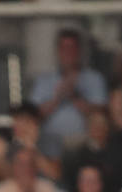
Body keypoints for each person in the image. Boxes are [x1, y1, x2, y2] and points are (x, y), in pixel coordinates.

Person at [29, 28, 107, 161]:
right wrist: (58, 97)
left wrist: (73, 95)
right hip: (49, 142)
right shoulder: (44, 80)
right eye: (64, 48)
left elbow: (100, 115)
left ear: (79, 51)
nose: (68, 53)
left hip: (83, 142)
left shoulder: (94, 78)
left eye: (72, 48)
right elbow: (34, 116)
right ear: (57, 51)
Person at [60, 105, 122, 192]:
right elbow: (72, 187)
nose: (98, 128)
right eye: (94, 124)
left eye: (102, 124)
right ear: (87, 127)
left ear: (108, 127)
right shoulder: (77, 156)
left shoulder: (120, 152)